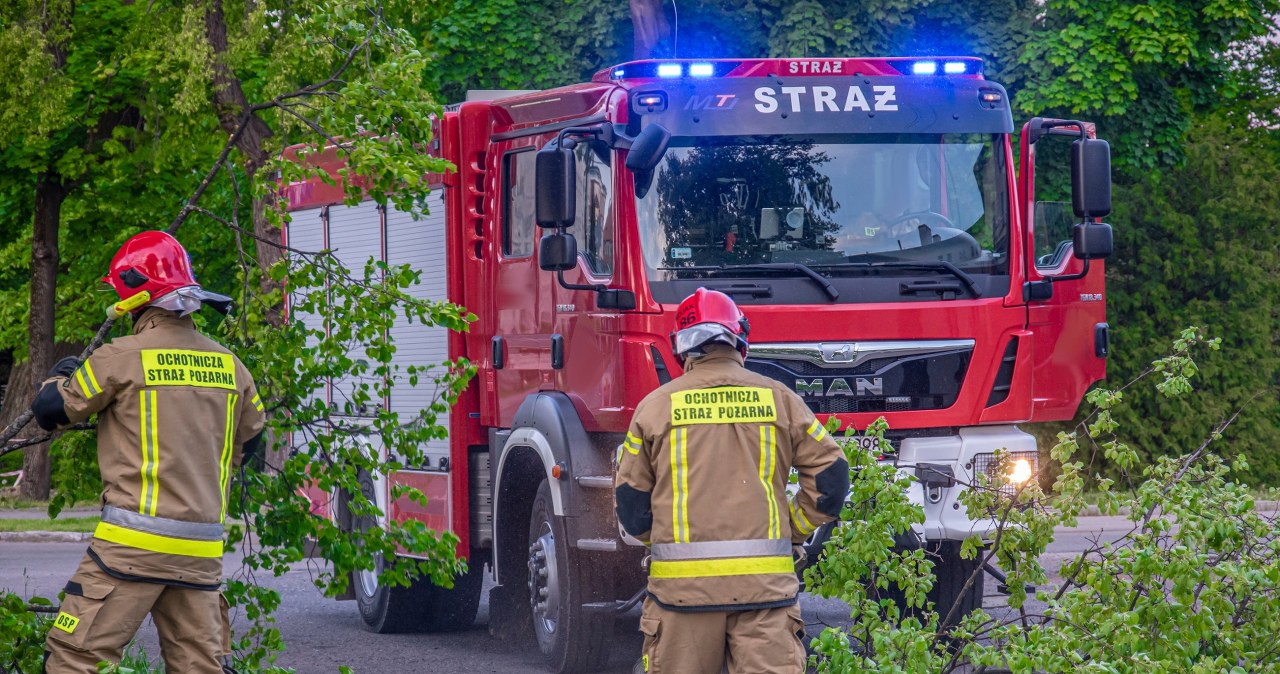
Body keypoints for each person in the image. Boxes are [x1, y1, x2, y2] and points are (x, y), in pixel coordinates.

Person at [31, 231, 266, 674]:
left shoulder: (119, 356)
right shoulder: (232, 366)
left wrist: (57, 377)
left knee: (74, 659)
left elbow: (52, 412)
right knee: (201, 666)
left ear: (133, 298)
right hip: (200, 553)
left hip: (128, 550)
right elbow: (253, 441)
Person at [615, 288, 850, 674]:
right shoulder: (780, 400)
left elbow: (631, 503)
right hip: (765, 596)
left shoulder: (655, 407)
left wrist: (664, 541)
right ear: (739, 339)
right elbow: (832, 477)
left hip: (681, 601)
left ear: (683, 349)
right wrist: (793, 529)